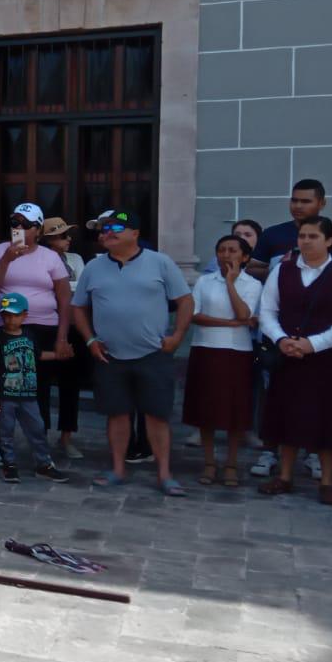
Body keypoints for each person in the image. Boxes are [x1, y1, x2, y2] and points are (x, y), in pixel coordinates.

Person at [72, 210, 194, 496]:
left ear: (135, 233)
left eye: (115, 227)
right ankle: (117, 469)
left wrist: (177, 336)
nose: (107, 233)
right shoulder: (94, 267)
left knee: (157, 415)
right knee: (117, 414)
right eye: (103, 229)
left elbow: (185, 301)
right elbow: (78, 306)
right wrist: (90, 340)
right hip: (110, 356)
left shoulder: (160, 263)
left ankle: (164, 474)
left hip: (153, 354)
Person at [257, 217, 332, 505]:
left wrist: (313, 344)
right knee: (286, 416)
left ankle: (326, 482)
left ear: (328, 241)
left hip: (327, 360)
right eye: (302, 235)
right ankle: (285, 476)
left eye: (313, 236)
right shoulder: (283, 270)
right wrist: (282, 340)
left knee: (327, 420)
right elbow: (267, 311)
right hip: (288, 356)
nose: (305, 241)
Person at [0, 203, 73, 470]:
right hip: (7, 327)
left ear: (38, 230)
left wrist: (62, 337)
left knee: (38, 388)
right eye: (15, 222)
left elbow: (64, 298)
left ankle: (39, 447)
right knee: (3, 386)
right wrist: (8, 258)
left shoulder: (49, 257)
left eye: (25, 224)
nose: (18, 228)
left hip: (43, 327)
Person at [183, 235, 263, 488]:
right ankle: (209, 462)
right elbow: (194, 315)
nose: (226, 255)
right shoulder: (204, 282)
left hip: (237, 350)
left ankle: (231, 463)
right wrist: (230, 323)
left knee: (234, 411)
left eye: (232, 251)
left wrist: (230, 283)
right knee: (205, 409)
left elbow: (245, 313)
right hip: (205, 347)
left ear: (245, 257)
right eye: (221, 250)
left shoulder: (252, 284)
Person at [0, 293, 69, 484]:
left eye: (15, 315)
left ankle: (43, 463)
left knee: (38, 428)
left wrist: (59, 355)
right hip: (6, 394)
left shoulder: (30, 335)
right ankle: (9, 464)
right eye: (6, 315)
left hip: (29, 394)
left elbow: (38, 355)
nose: (10, 319)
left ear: (24, 315)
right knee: (6, 430)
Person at [39, 217, 88, 458]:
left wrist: (61, 285)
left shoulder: (75, 259)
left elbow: (83, 284)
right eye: (62, 236)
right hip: (47, 324)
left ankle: (66, 436)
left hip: (73, 326)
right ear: (48, 239)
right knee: (43, 383)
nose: (68, 239)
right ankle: (42, 434)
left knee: (71, 382)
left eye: (67, 235)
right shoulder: (38, 258)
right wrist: (66, 285)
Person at [247, 179, 332, 280]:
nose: (298, 206)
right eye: (294, 200)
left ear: (322, 203)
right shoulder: (271, 234)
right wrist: (279, 269)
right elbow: (251, 271)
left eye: (306, 201)